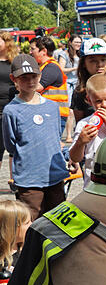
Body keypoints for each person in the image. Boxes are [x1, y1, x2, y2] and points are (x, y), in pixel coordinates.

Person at [1, 54, 68, 219]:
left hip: (54, 174)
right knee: (32, 223)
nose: (30, 81)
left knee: (58, 223)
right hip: (29, 179)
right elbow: (10, 144)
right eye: (24, 78)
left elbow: (55, 138)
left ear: (39, 76)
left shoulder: (52, 107)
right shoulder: (11, 111)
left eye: (34, 76)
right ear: (14, 79)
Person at [30, 37, 69, 136]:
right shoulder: (44, 66)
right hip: (49, 114)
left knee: (52, 147)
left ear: (43, 51)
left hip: (54, 116)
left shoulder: (51, 67)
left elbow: (37, 87)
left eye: (33, 49)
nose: (30, 52)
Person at [0, 32, 20, 155]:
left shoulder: (15, 62)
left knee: (14, 149)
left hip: (11, 108)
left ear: (7, 43)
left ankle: (14, 175)